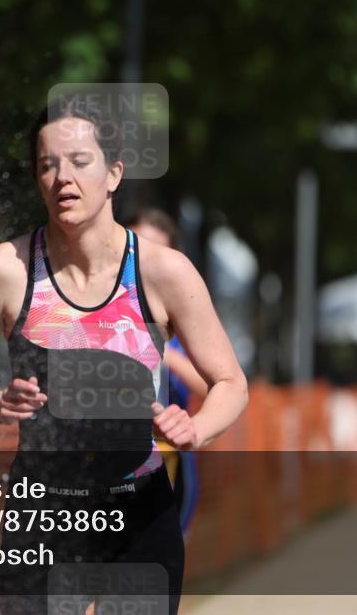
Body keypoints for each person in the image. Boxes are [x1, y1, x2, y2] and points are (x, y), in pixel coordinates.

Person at [0, 94, 248, 615]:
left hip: (138, 511)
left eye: (79, 162)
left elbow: (230, 382)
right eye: (47, 165)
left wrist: (197, 429)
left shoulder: (164, 272)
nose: (62, 177)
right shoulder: (5, 269)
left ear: (114, 173)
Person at [127, 207, 208, 537]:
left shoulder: (179, 326)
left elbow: (211, 385)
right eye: (135, 248)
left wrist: (164, 356)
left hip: (169, 466)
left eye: (156, 251)